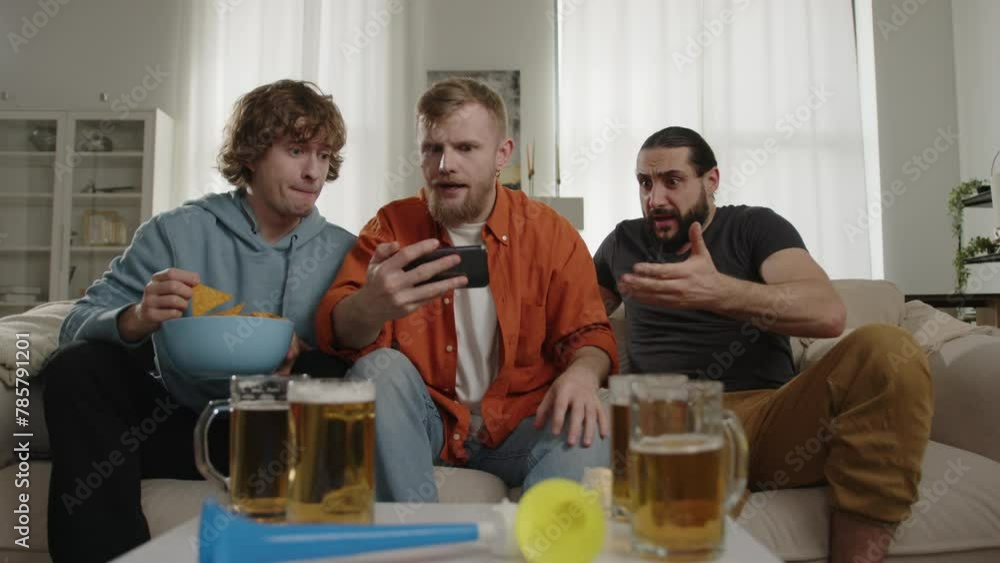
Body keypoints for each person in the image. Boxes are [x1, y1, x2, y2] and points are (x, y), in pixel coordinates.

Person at [41, 79, 356, 563]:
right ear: (251, 154)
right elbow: (74, 325)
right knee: (77, 366)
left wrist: (306, 355)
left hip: (277, 434)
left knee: (326, 372)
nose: (314, 171)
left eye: (324, 155)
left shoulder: (344, 250)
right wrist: (137, 317)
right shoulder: (175, 231)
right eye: (296, 151)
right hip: (177, 425)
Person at [594, 126, 932, 563]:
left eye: (672, 181)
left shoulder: (755, 226)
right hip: (672, 421)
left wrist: (719, 292)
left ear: (711, 180)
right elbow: (579, 322)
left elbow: (827, 312)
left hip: (770, 415)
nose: (655, 198)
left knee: (888, 350)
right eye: (645, 183)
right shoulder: (623, 241)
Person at [315, 78, 618, 502]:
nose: (445, 165)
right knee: (378, 369)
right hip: (430, 424)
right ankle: (414, 532)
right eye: (432, 149)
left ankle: (545, 534)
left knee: (597, 408)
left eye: (466, 148)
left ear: (502, 155)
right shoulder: (391, 226)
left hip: (523, 424)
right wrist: (370, 305)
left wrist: (583, 373)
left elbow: (589, 335)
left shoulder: (551, 234)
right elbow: (338, 330)